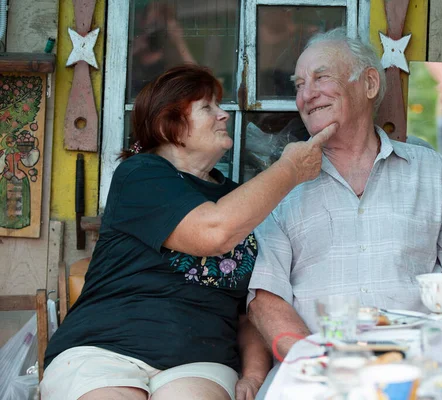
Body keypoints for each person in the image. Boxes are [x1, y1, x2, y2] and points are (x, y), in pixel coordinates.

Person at [41, 65, 336, 400]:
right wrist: (290, 170)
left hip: (200, 361)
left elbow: (248, 309)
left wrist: (253, 376)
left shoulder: (241, 201)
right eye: (207, 107)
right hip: (105, 350)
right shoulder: (140, 175)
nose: (224, 115)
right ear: (170, 124)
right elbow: (212, 232)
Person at [247, 28, 442, 359]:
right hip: (319, 370)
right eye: (299, 85)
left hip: (417, 364)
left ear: (369, 84)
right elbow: (266, 299)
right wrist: (315, 360)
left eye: (320, 78)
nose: (306, 95)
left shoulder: (429, 171)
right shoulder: (281, 182)